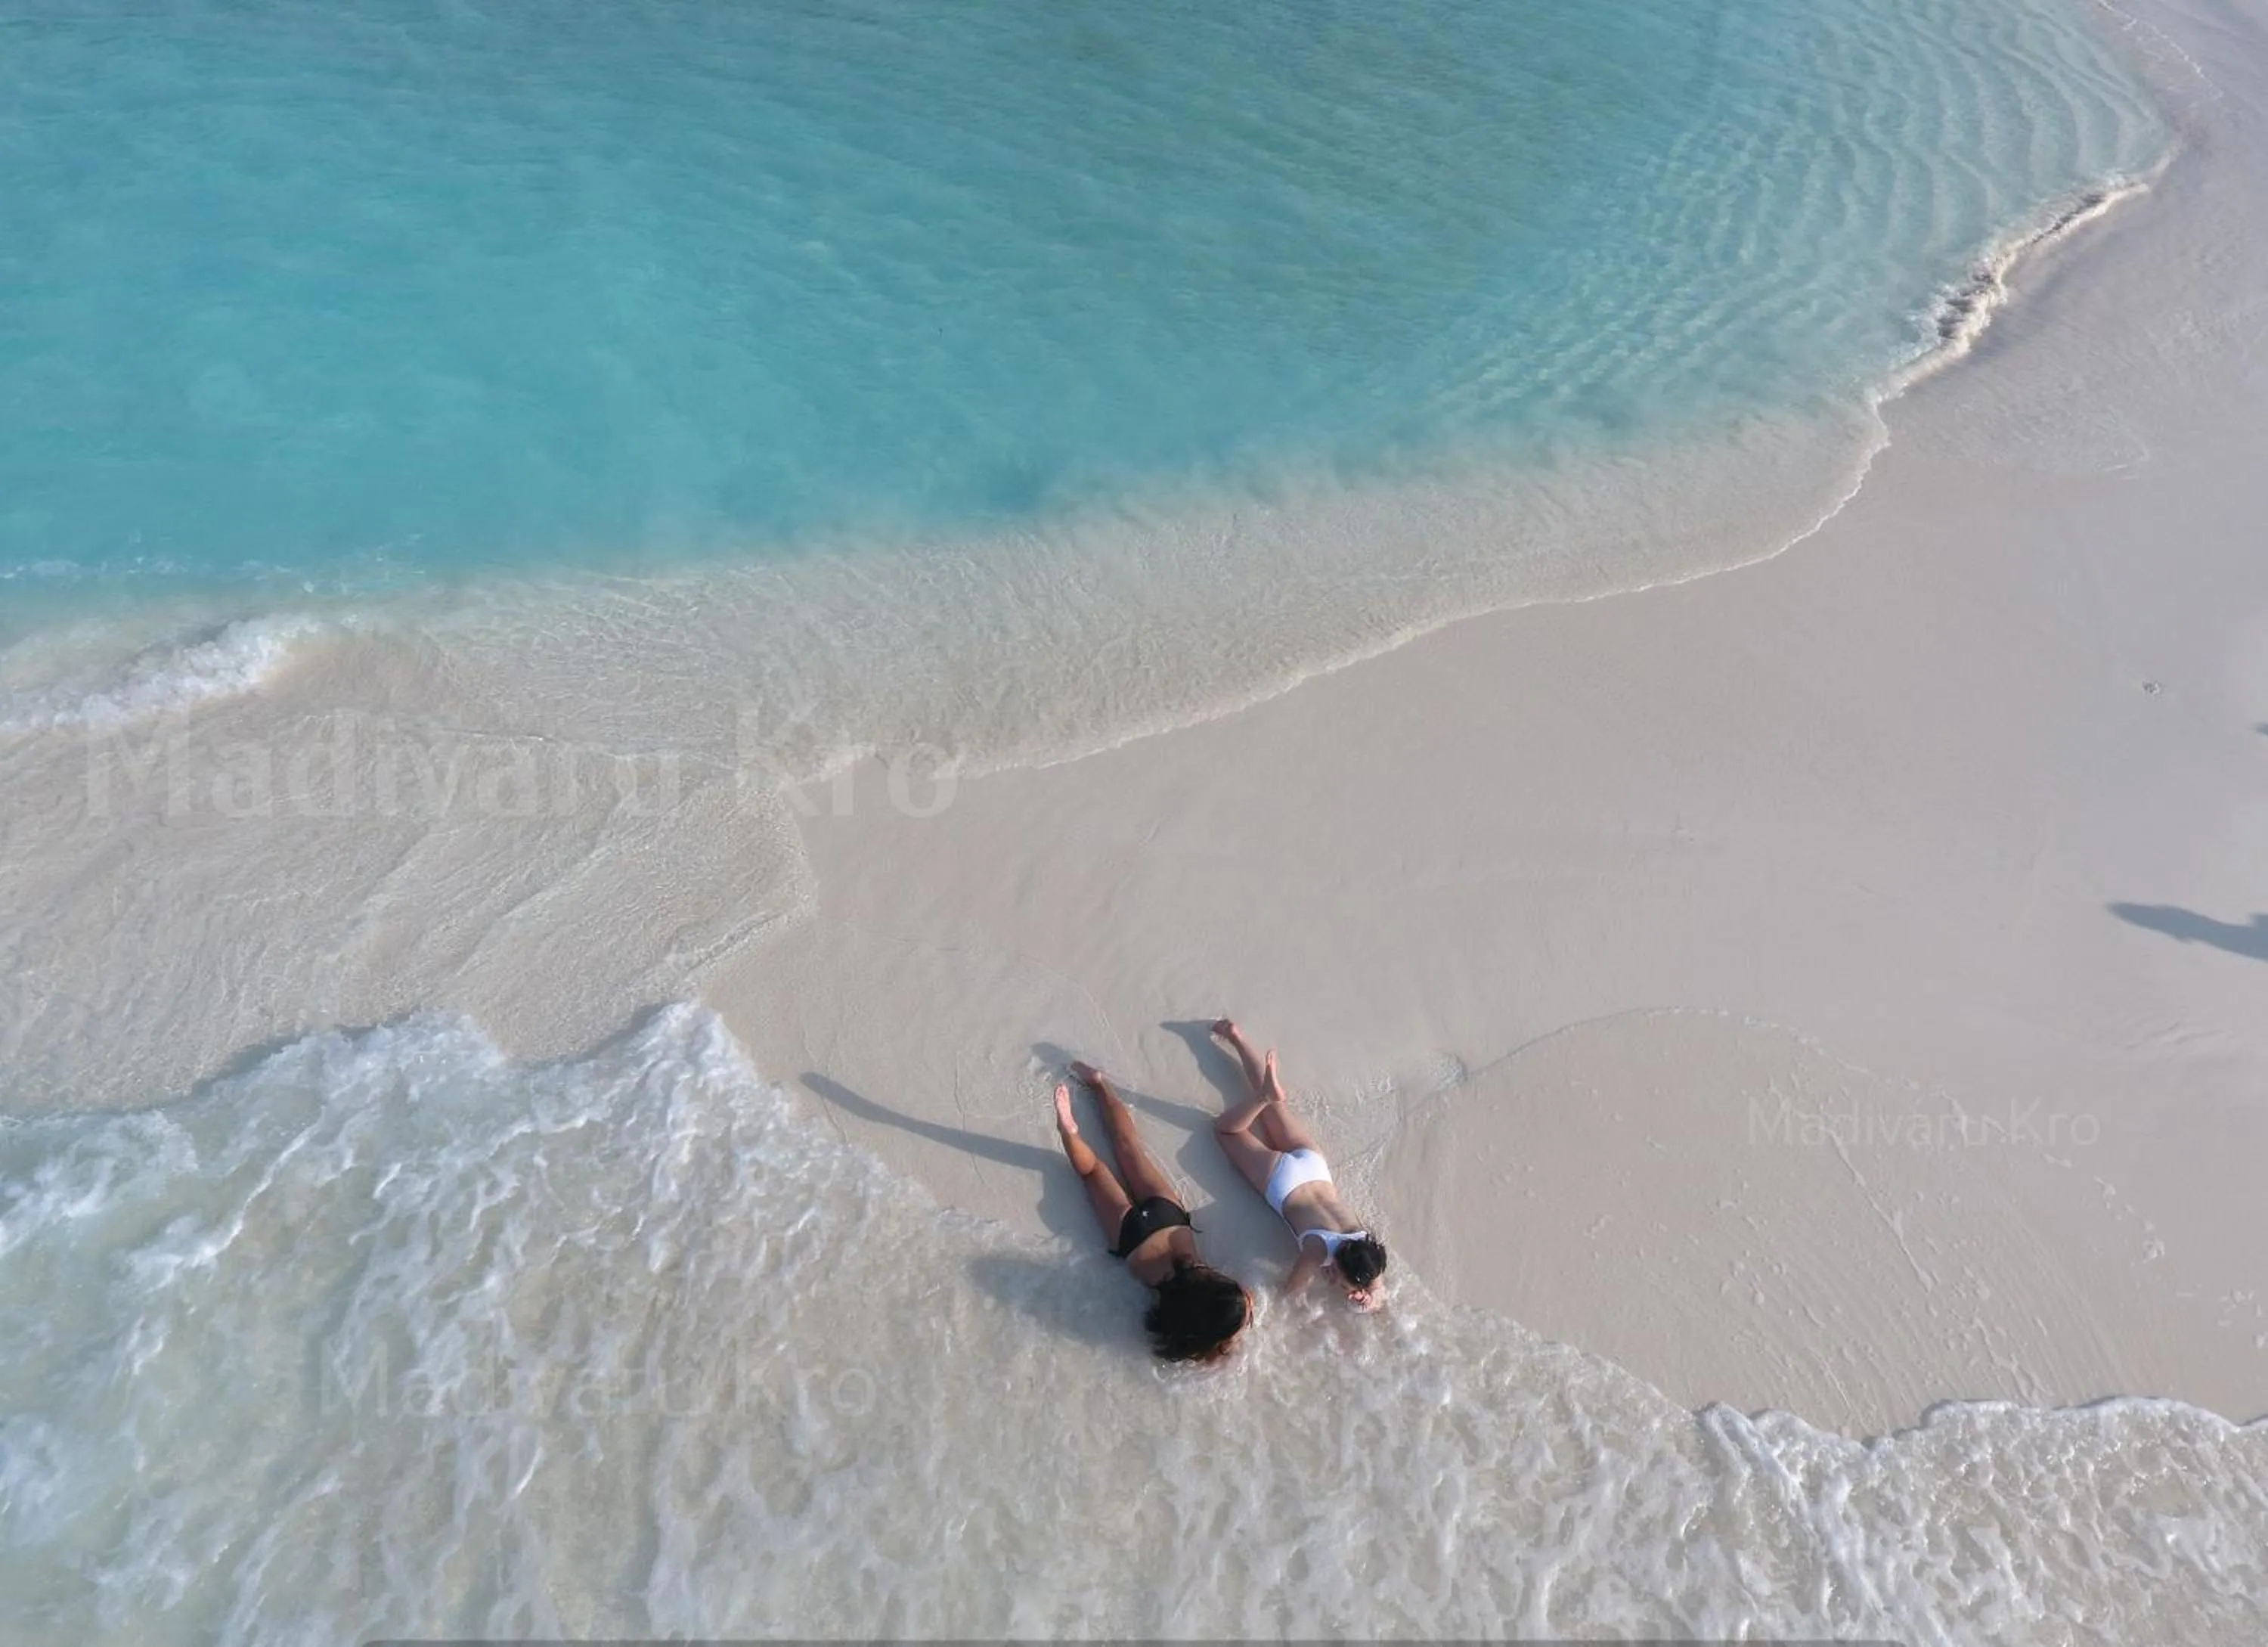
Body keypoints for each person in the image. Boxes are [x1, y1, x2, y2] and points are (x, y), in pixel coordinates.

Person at [1052, 1059, 1252, 1363]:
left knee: (1129, 1146)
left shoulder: (1217, 1283)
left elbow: (1243, 1296)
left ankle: (1098, 1084)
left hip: (1169, 1219)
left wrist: (1240, 1310)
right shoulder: (1177, 1315)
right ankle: (1069, 1133)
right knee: (1093, 1170)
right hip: (1132, 1238)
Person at [1209, 1019, 1389, 1309]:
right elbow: (1291, 1294)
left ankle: (1235, 1036)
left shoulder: (1364, 1239)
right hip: (1282, 1181)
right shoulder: (1317, 1251)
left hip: (1314, 1165)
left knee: (1274, 1109)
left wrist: (1370, 1297)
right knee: (1226, 1131)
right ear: (1339, 1267)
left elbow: (1377, 1284)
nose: (1341, 1287)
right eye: (1344, 1282)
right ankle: (1261, 1098)